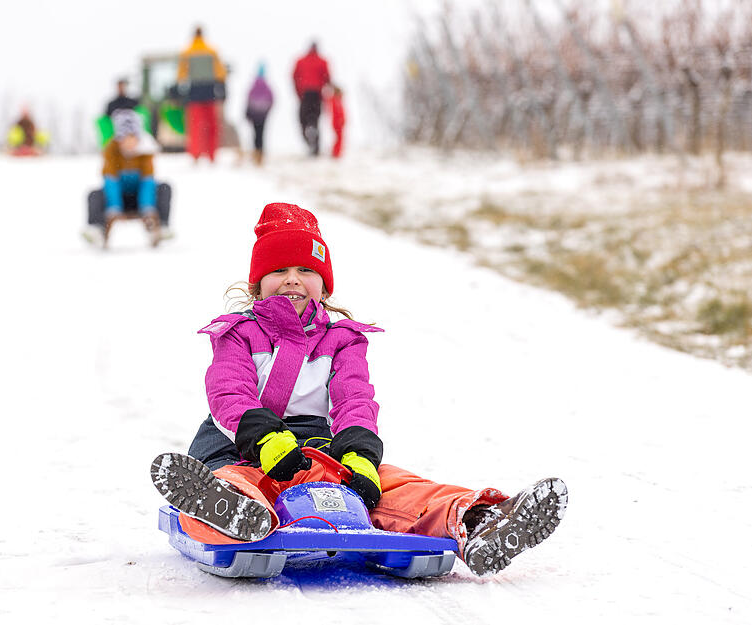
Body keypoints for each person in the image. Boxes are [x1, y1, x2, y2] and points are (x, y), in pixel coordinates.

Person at [149, 202, 569, 577]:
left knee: (391, 485)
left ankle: (479, 522)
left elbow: (355, 400)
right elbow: (229, 392)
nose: (292, 280)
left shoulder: (343, 340)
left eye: (305, 270)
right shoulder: (237, 333)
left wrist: (360, 456)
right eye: (278, 270)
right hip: (240, 446)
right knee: (240, 481)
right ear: (257, 284)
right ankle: (230, 511)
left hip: (319, 449)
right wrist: (265, 438)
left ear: (324, 285)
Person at [99, 110, 161, 248]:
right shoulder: (111, 150)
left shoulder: (145, 151)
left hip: (139, 196)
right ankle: (97, 229)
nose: (129, 142)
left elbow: (147, 180)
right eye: (124, 138)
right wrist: (114, 207)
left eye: (132, 138)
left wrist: (147, 207)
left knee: (163, 189)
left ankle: (161, 226)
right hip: (118, 196)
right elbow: (110, 179)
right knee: (94, 195)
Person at [177, 26, 227, 163]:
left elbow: (181, 75)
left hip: (194, 93)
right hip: (210, 92)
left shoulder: (186, 53)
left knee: (195, 126)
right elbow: (221, 73)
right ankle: (211, 154)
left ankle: (196, 154)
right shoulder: (212, 51)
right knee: (211, 126)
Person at [292, 42, 330, 156]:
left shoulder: (300, 61)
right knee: (314, 119)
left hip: (305, 93)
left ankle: (309, 138)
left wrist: (299, 93)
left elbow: (294, 77)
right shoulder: (323, 62)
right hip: (317, 94)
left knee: (303, 119)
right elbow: (327, 78)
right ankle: (314, 143)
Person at [245, 63, 274, 166]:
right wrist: (267, 109)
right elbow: (271, 99)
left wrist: (247, 112)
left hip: (254, 113)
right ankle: (260, 152)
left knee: (255, 133)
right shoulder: (266, 86)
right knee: (261, 133)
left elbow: (248, 99)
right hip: (263, 114)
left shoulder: (254, 85)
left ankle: (256, 151)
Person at [327, 85, 345, 158]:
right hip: (337, 123)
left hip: (339, 122)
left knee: (339, 138)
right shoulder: (335, 100)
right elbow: (337, 113)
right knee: (339, 138)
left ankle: (337, 152)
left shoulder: (337, 100)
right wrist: (340, 120)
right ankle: (336, 153)